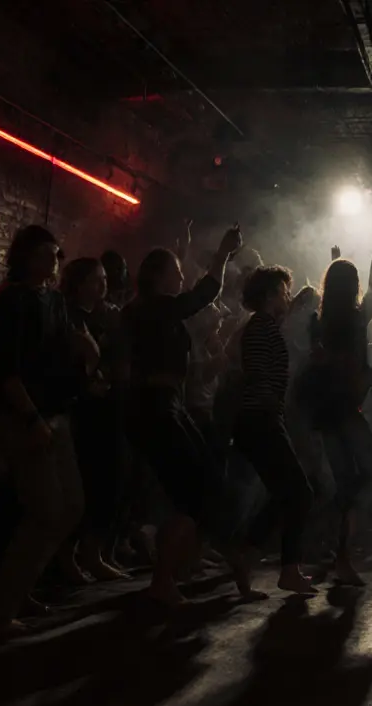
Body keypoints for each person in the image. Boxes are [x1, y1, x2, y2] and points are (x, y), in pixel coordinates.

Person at [122, 227, 259, 606]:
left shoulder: (147, 310)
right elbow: (203, 295)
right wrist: (223, 254)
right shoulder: (153, 308)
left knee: (202, 489)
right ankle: (166, 578)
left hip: (166, 406)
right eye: (175, 271)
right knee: (193, 494)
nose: (181, 277)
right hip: (157, 408)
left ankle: (183, 571)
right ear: (157, 276)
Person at [0, 225, 95, 635]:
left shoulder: (56, 301)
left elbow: (65, 353)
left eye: (56, 254)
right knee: (45, 509)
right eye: (45, 254)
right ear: (26, 257)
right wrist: (30, 417)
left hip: (57, 413)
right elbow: (6, 368)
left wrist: (86, 354)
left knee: (72, 506)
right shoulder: (15, 299)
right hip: (27, 417)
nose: (53, 261)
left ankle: (20, 588)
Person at [303, 236, 372, 587]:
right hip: (344, 410)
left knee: (346, 481)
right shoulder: (355, 319)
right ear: (350, 287)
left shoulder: (317, 321)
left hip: (325, 409)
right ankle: (339, 547)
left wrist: (335, 261)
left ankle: (334, 547)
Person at [229, 265, 317, 594]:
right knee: (299, 492)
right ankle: (283, 568)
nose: (288, 297)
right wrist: (273, 416)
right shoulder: (261, 327)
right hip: (261, 419)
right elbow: (259, 375)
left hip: (262, 418)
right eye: (283, 292)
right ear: (268, 295)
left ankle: (248, 554)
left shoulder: (265, 325)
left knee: (288, 493)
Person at [61, 257, 132, 582]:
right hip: (81, 409)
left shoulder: (109, 316)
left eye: (104, 278)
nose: (102, 284)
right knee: (84, 484)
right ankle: (69, 557)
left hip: (110, 407)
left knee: (111, 483)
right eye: (95, 279)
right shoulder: (67, 316)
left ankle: (95, 552)